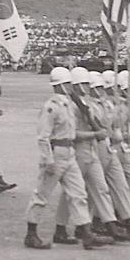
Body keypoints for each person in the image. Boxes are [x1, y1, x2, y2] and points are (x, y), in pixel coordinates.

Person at [22, 67, 111, 250]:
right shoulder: (52, 106)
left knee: (78, 193)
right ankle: (31, 233)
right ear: (61, 85)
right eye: (68, 84)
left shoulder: (69, 105)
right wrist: (48, 160)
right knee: (41, 195)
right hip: (56, 153)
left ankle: (86, 233)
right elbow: (43, 136)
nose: (71, 87)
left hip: (69, 152)